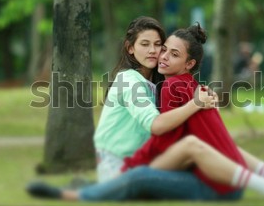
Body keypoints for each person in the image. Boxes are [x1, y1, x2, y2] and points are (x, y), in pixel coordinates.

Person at [27, 24, 264, 206]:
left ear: (188, 64)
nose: (161, 55)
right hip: (161, 171)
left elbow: (164, 134)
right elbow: (165, 132)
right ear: (131, 48)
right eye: (160, 49)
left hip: (188, 176)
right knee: (193, 149)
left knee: (180, 158)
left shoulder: (170, 86)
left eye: (169, 51)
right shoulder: (166, 84)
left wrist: (136, 161)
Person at [93, 16, 216, 183]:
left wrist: (206, 97)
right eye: (144, 44)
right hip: (117, 167)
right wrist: (196, 103)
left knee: (202, 152)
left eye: (158, 45)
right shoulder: (128, 80)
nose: (152, 50)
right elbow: (155, 125)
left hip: (143, 162)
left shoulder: (158, 83)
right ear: (130, 48)